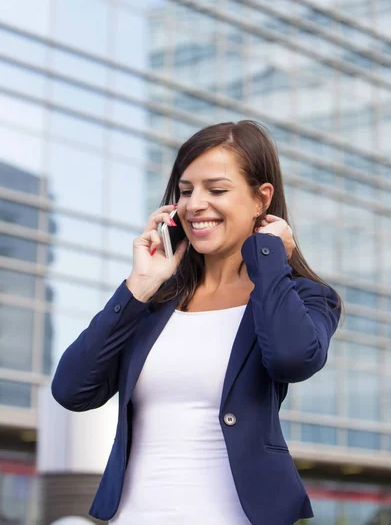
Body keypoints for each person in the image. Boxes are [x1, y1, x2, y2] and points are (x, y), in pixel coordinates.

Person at [52, 120, 342, 525]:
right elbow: (71, 390)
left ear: (262, 199)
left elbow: (292, 358)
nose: (194, 204)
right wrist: (139, 286)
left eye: (217, 190)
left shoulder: (303, 296)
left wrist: (271, 261)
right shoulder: (155, 301)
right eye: (186, 191)